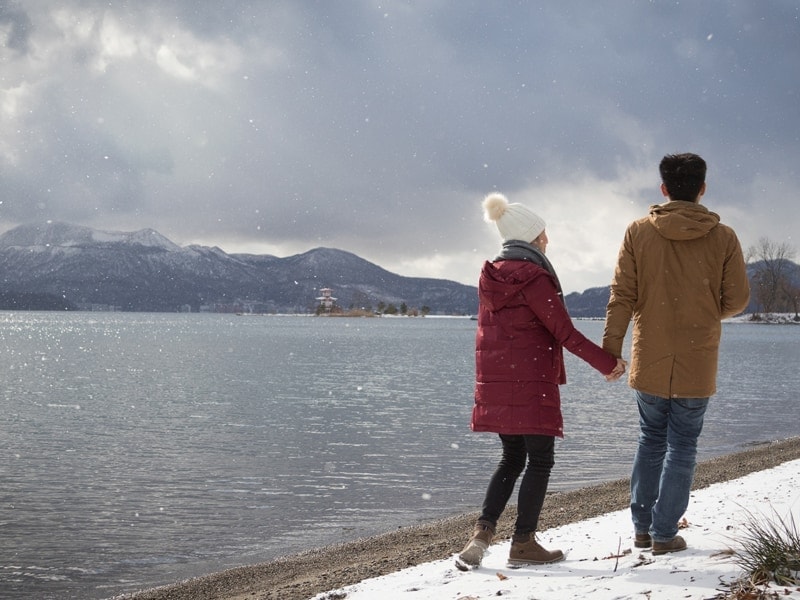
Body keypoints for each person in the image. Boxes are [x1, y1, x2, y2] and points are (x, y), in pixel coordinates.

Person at [456, 192, 625, 571]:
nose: (547, 239)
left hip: (498, 382)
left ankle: (482, 535)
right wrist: (607, 363)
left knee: (512, 457)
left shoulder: (491, 277)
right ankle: (523, 542)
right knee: (540, 460)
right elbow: (565, 332)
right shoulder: (533, 277)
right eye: (543, 233)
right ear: (531, 237)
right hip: (530, 382)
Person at [602, 153, 750, 555]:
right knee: (683, 444)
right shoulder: (724, 237)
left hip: (650, 351)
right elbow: (737, 300)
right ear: (702, 188)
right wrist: (703, 309)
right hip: (698, 355)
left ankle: (642, 529)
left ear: (663, 189)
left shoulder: (638, 232)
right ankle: (665, 534)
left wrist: (610, 350)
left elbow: (622, 296)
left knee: (651, 439)